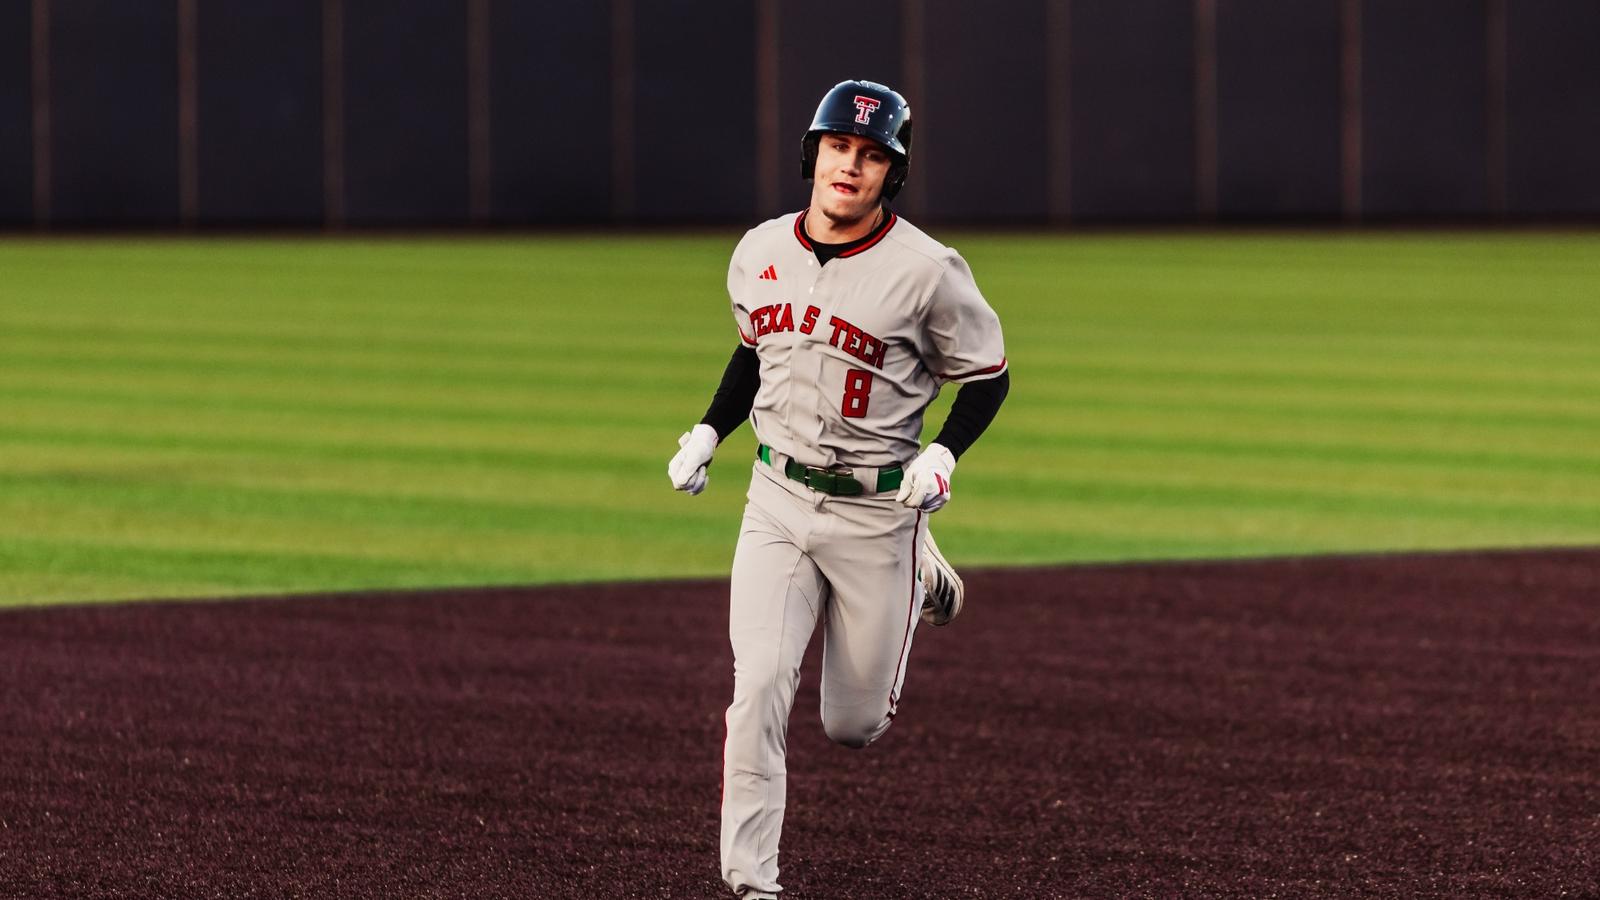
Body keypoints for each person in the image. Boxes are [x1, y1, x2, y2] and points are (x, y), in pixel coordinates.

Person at [667, 79, 1010, 899]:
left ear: (891, 173)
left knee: (852, 725)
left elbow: (989, 379)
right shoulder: (759, 250)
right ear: (811, 155)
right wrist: (710, 431)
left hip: (878, 510)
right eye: (837, 148)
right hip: (777, 501)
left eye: (870, 155)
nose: (849, 166)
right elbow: (756, 352)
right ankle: (752, 884)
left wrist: (944, 456)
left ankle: (922, 568)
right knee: (756, 690)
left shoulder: (928, 272)